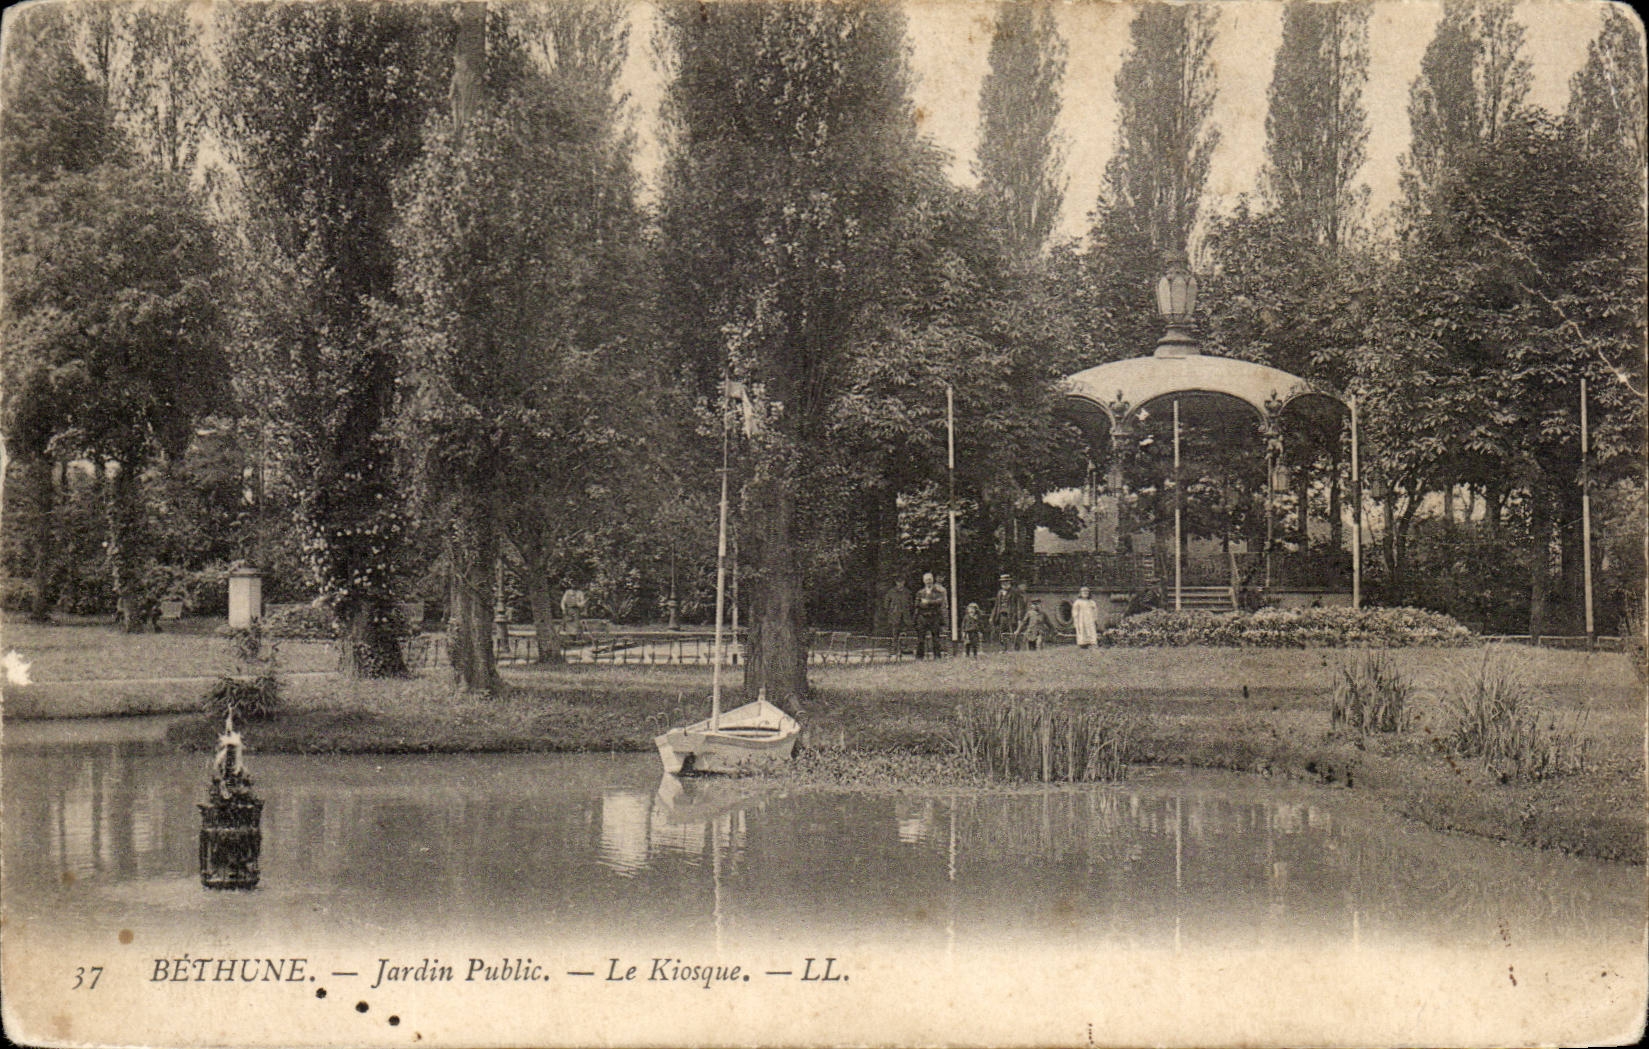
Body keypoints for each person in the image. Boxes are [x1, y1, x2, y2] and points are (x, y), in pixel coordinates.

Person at [914, 571, 948, 659]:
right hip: (923, 618)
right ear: (923, 581)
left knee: (936, 638)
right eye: (926, 580)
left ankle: (937, 657)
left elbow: (939, 602)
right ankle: (919, 657)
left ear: (932, 580)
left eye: (930, 579)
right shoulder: (920, 592)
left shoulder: (938, 592)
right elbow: (917, 604)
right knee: (921, 639)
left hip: (934, 617)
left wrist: (928, 602)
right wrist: (927, 604)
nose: (928, 581)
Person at [989, 574, 1027, 649]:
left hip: (1012, 616)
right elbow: (996, 606)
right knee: (1002, 633)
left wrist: (1019, 618)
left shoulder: (1015, 592)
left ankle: (1015, 648)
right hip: (1001, 616)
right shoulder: (1000, 593)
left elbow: (1019, 606)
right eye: (1002, 582)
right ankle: (1003, 648)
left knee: (1013, 632)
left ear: (1009, 582)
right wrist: (992, 617)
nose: (1004, 583)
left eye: (1006, 582)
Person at [882, 578, 913, 658]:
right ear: (896, 582)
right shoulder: (891, 592)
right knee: (895, 633)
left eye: (902, 582)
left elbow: (911, 604)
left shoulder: (907, 592)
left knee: (905, 633)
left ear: (904, 582)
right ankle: (894, 649)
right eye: (898, 582)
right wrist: (892, 611)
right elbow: (886, 604)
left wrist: (907, 611)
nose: (900, 584)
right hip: (895, 617)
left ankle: (904, 648)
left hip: (905, 616)